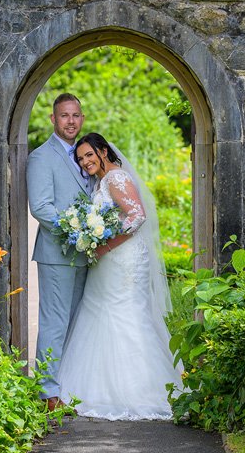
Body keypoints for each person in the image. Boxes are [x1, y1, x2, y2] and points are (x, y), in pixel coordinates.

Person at [58, 132, 181, 420]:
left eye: (89, 154)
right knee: (98, 313)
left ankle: (141, 391)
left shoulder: (116, 178)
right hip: (107, 261)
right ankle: (94, 389)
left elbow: (137, 216)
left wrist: (104, 244)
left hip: (123, 260)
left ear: (103, 150)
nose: (85, 161)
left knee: (127, 316)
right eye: (80, 159)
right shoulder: (102, 181)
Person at [26, 93, 92, 411]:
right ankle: (47, 394)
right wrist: (78, 232)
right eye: (64, 115)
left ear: (82, 119)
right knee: (54, 322)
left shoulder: (84, 155)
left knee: (76, 321)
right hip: (56, 252)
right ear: (53, 119)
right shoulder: (42, 156)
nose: (70, 121)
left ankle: (66, 384)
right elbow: (41, 207)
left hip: (84, 254)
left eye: (75, 115)